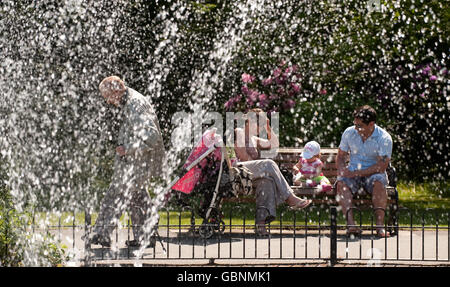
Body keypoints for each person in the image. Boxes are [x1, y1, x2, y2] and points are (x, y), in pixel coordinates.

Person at [87, 76, 165, 247]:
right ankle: (146, 235)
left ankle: (102, 233)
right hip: (135, 162)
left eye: (107, 96)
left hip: (139, 161)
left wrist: (127, 148)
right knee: (136, 197)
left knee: (116, 193)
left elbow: (151, 136)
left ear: (116, 91)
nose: (108, 101)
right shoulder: (130, 101)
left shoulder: (135, 104)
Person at [234, 108, 311, 236]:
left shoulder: (255, 139)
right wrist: (262, 167)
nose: (260, 127)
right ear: (248, 122)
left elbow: (274, 144)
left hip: (250, 174)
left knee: (267, 182)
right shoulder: (239, 132)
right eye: (259, 123)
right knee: (268, 163)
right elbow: (243, 157)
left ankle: (261, 223)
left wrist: (269, 128)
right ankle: (289, 197)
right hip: (238, 171)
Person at [336, 105, 393, 238]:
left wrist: (356, 173)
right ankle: (351, 225)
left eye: (360, 126)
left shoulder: (384, 138)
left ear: (371, 124)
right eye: (355, 125)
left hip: (373, 174)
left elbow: (382, 166)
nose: (356, 129)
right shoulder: (349, 132)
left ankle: (379, 226)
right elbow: (341, 155)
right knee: (341, 184)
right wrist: (341, 171)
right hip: (353, 172)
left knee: (379, 182)